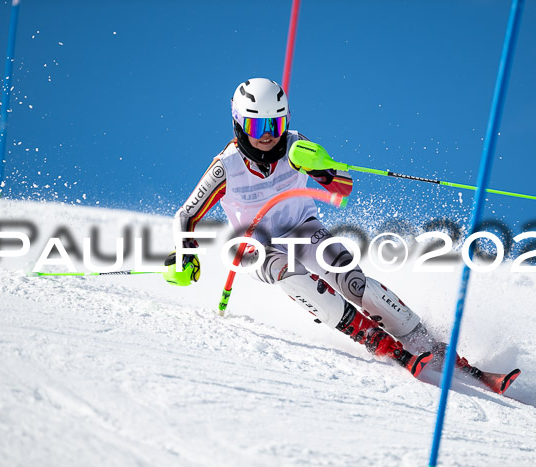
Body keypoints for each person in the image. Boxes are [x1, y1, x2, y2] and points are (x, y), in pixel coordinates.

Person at [165, 77, 487, 380]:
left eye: (275, 124)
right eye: (256, 125)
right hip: (257, 245)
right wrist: (185, 254)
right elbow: (187, 215)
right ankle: (372, 338)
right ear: (239, 124)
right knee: (289, 273)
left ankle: (428, 344)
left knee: (354, 282)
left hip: (302, 229)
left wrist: (320, 167)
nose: (267, 134)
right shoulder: (227, 166)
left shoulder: (296, 146)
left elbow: (343, 187)